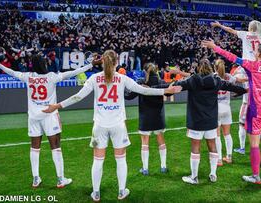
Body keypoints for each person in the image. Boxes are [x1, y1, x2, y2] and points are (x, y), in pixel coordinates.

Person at [42, 50, 182, 201]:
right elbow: (144, 90)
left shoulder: (95, 78)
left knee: (97, 160)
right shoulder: (122, 79)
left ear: (103, 62)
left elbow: (78, 97)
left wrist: (56, 106)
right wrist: (166, 90)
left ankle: (96, 193)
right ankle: (122, 191)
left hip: (99, 127)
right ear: (116, 62)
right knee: (120, 159)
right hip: (118, 126)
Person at [0, 55, 95, 188]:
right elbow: (73, 73)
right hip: (49, 115)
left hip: (33, 116)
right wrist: (90, 65)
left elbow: (12, 72)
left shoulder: (28, 76)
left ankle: (35, 178)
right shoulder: (51, 76)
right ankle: (61, 179)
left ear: (33, 65)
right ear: (44, 64)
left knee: (34, 147)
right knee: (55, 147)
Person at [202, 35, 261, 184]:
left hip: (255, 112)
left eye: (256, 49)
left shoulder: (252, 66)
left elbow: (232, 57)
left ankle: (256, 176)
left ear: (259, 53)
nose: (254, 50)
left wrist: (215, 48)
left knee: (254, 145)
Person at [212, 17, 261, 155]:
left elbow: (230, 30)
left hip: (248, 66)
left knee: (239, 87)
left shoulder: (245, 34)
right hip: (260, 67)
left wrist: (219, 25)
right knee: (253, 90)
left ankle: (242, 141)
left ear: (250, 27)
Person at [174, 59, 247, 184]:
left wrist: (156, 87)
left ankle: (194, 177)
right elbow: (232, 87)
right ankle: (213, 174)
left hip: (196, 121)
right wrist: (244, 91)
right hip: (211, 121)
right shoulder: (216, 80)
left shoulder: (193, 80)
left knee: (195, 148)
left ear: (198, 68)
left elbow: (176, 86)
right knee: (212, 146)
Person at [125, 63, 169, 175]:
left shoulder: (141, 82)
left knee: (145, 142)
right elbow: (169, 93)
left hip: (145, 116)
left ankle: (145, 169)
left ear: (145, 71)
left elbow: (128, 96)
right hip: (158, 116)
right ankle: (163, 166)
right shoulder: (161, 82)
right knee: (161, 140)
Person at [213, 59, 238, 165]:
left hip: (216, 109)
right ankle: (229, 157)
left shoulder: (213, 77)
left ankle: (218, 159)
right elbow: (237, 80)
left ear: (215, 67)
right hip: (227, 108)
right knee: (227, 134)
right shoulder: (228, 77)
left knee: (217, 135)